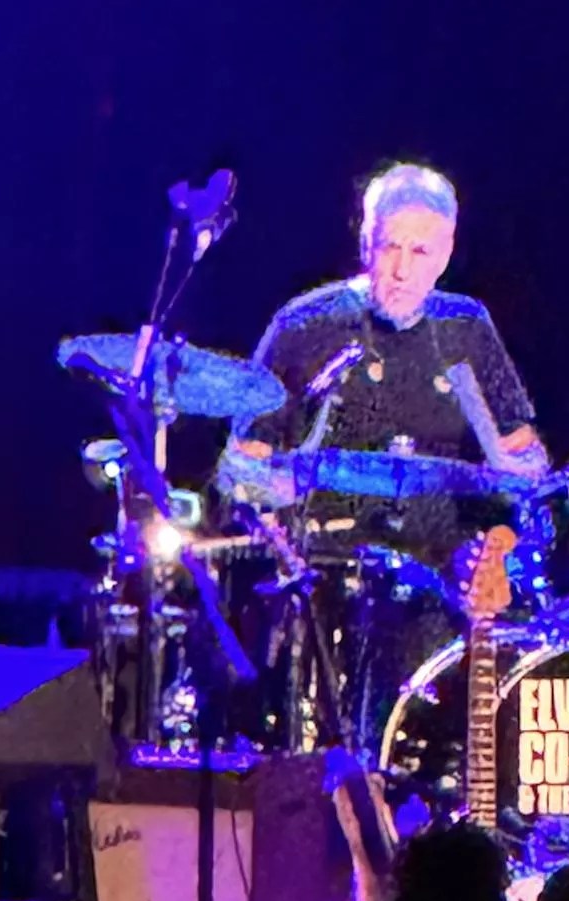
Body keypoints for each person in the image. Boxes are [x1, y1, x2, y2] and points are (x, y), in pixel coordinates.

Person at [220, 163, 550, 736]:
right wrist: (275, 492)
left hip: (440, 578)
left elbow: (526, 470)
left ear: (446, 254)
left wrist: (496, 552)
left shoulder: (467, 329)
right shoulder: (305, 326)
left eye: (420, 253)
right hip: (324, 575)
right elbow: (242, 470)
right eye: (387, 247)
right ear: (365, 240)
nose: (399, 270)